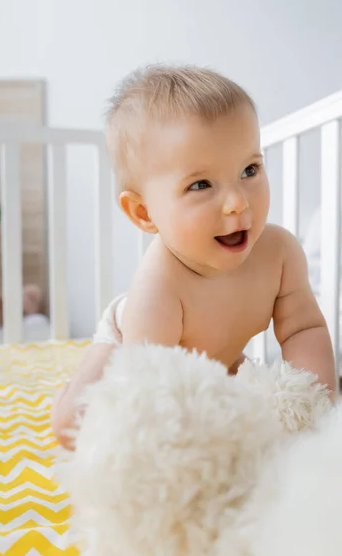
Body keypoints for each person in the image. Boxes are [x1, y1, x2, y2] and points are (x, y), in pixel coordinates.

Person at [51, 64, 336, 449]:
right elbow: (154, 393)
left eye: (249, 169)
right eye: (201, 184)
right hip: (133, 346)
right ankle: (69, 390)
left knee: (249, 414)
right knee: (75, 425)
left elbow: (304, 330)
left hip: (219, 359)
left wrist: (315, 403)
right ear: (144, 213)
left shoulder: (280, 254)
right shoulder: (158, 289)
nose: (237, 202)